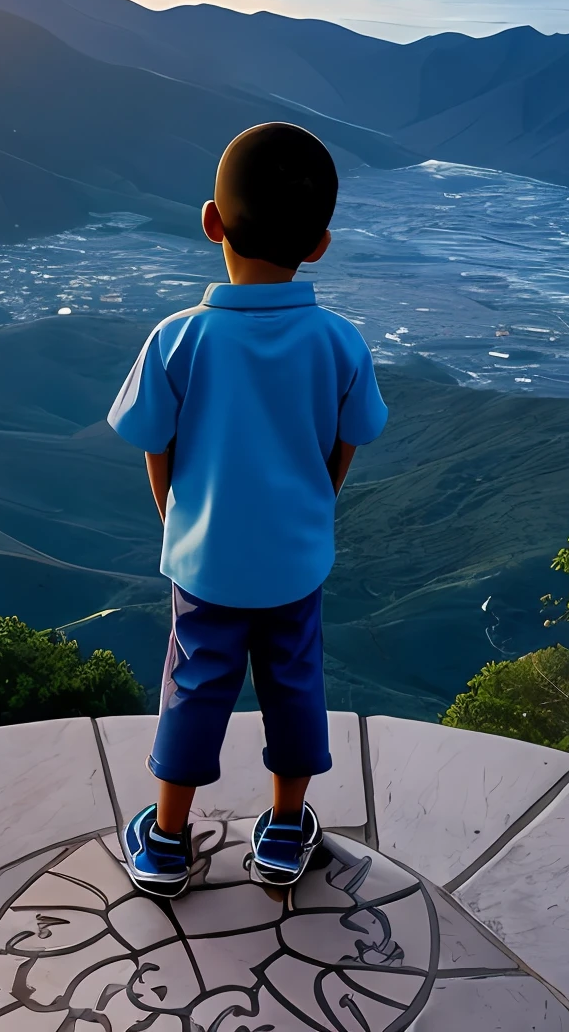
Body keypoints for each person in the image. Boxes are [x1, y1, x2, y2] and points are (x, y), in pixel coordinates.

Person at [107, 123, 388, 899]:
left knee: (195, 686)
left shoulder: (178, 339)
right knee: (295, 685)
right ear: (321, 244)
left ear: (211, 222)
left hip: (204, 561)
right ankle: (287, 831)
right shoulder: (339, 342)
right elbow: (349, 440)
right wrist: (314, 504)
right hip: (296, 560)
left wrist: (176, 513)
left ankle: (166, 842)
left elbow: (151, 440)